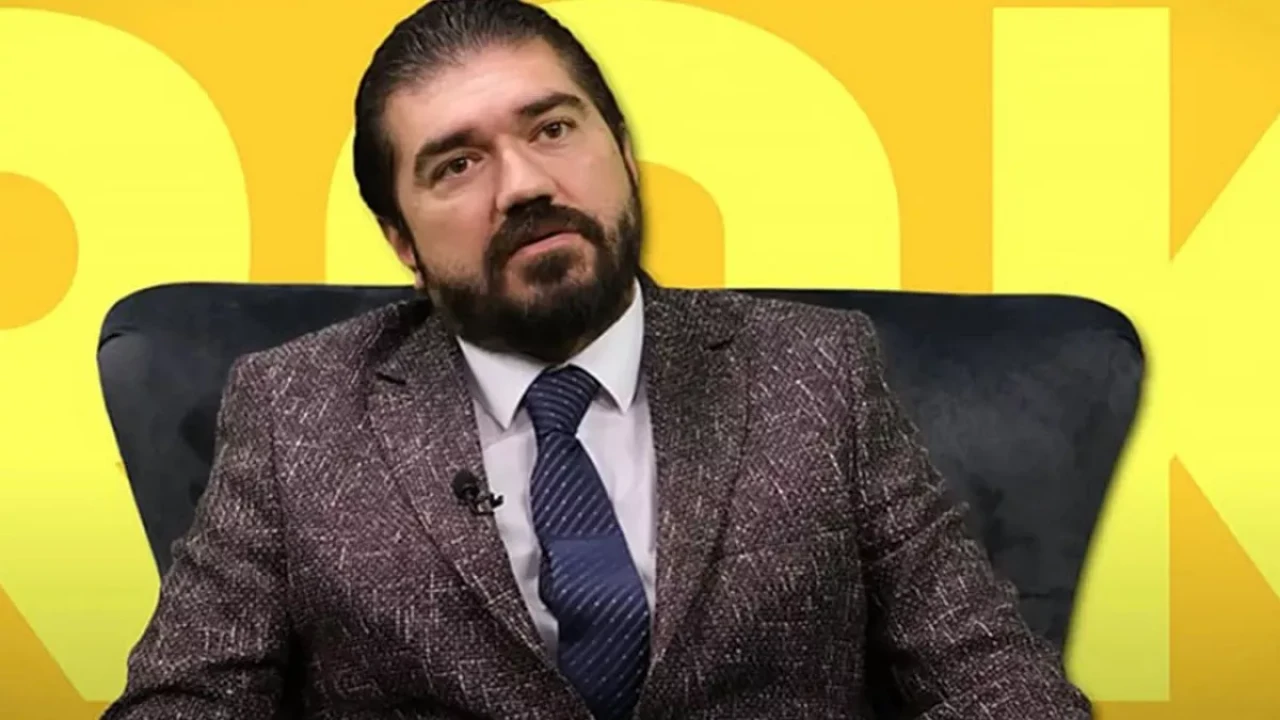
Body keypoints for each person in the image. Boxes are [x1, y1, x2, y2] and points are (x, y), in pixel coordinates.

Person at [102, 0, 1094, 717]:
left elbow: (984, 670)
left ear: (621, 154)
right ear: (402, 241)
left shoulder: (817, 369)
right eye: (456, 164)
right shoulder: (293, 408)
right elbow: (189, 695)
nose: (525, 184)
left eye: (553, 128)